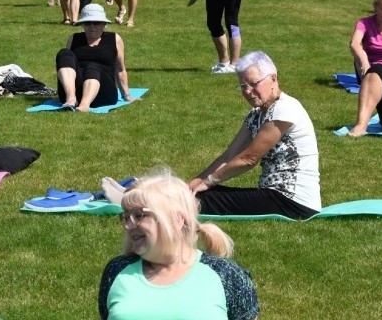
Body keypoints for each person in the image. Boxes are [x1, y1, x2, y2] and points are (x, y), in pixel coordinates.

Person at [98, 170, 260, 320]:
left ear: (177, 219)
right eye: (126, 217)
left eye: (139, 215)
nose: (128, 225)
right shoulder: (117, 271)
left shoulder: (226, 275)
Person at [188, 51, 321, 219]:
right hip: (274, 196)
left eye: (253, 83)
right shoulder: (256, 114)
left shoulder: (285, 109)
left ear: (273, 78)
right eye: (243, 86)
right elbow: (230, 155)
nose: (248, 91)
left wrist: (208, 182)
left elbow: (249, 159)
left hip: (294, 202)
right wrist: (195, 183)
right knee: (197, 195)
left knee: (200, 201)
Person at [55, 4, 133, 112]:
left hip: (103, 93)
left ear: (104, 24)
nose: (92, 26)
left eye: (96, 22)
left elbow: (119, 69)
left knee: (92, 65)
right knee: (64, 53)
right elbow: (69, 65)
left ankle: (84, 104)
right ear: (82, 25)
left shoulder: (114, 39)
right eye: (87, 23)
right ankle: (71, 98)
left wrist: (126, 95)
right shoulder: (74, 39)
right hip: (79, 89)